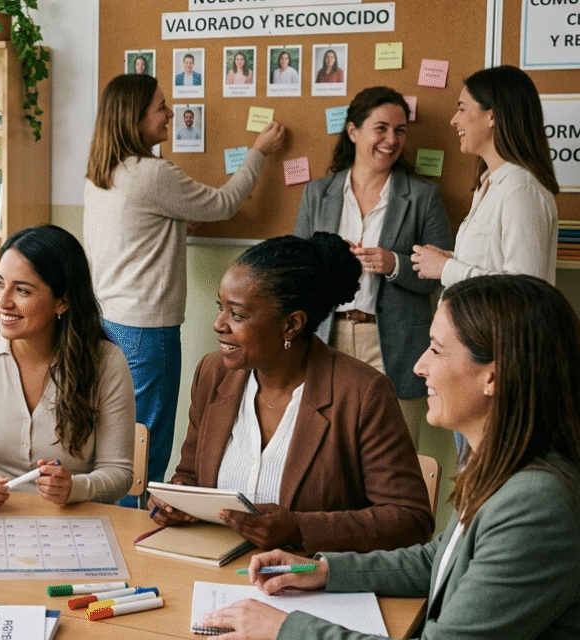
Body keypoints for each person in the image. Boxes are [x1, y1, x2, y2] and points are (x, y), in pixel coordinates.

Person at [202, 274, 580, 639]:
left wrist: (285, 629)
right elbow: (438, 561)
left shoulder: (535, 505)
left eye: (436, 349)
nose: (419, 366)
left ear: (491, 378)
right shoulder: (502, 466)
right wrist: (323, 570)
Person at [149, 233, 433, 553]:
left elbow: (411, 521)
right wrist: (177, 498)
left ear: (291, 325)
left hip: (306, 577)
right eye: (220, 307)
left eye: (237, 314)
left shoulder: (362, 393)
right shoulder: (213, 374)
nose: (218, 324)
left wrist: (300, 528)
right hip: (216, 577)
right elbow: (189, 474)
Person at [83, 74, 286, 504]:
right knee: (144, 450)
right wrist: (258, 152)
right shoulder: (155, 174)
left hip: (106, 323)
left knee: (116, 446)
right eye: (161, 106)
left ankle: (113, 541)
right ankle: (135, 545)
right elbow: (225, 202)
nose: (171, 113)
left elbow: (136, 229)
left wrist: (175, 221)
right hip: (146, 333)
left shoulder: (102, 174)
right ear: (134, 119)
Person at [0, 225, 135, 510]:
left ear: (62, 301)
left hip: (74, 525)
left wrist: (76, 487)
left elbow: (119, 475)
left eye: (22, 290)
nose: (2, 300)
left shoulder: (106, 363)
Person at [294, 87, 452, 445]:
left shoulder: (424, 197)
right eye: (380, 128)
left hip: (395, 343)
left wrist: (393, 263)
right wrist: (330, 258)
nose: (391, 140)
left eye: (400, 130)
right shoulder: (317, 193)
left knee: (396, 455)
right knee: (328, 453)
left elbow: (441, 276)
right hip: (327, 338)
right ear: (353, 132)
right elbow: (297, 272)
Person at [412, 65, 559, 287]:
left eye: (461, 109)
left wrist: (447, 269)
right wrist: (452, 259)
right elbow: (494, 267)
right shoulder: (489, 183)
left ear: (492, 116)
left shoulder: (522, 190)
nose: (454, 120)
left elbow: (525, 289)